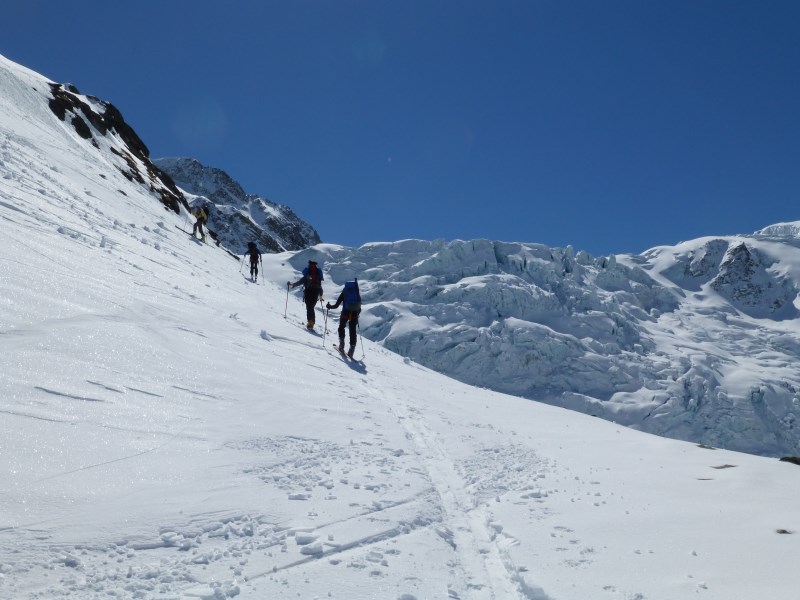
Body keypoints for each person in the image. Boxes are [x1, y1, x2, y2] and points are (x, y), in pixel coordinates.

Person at [326, 279, 361, 358]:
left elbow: (336, 305)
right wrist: (357, 314)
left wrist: (329, 306)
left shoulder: (344, 292)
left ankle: (341, 345)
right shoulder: (357, 293)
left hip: (345, 312)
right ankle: (351, 350)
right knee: (353, 331)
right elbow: (359, 307)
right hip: (355, 314)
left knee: (341, 327)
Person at [288, 260, 324, 329]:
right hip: (316, 293)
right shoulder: (318, 276)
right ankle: (312, 322)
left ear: (309, 265)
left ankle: (310, 322)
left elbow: (300, 282)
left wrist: (292, 284)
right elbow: (320, 287)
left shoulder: (307, 275)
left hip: (308, 292)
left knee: (309, 307)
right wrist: (320, 296)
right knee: (311, 307)